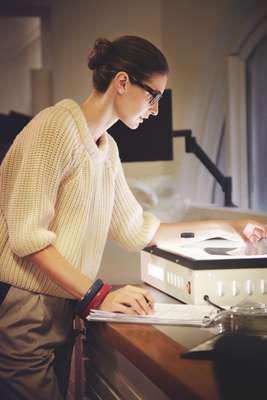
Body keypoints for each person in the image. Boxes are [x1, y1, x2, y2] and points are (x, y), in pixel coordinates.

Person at [0, 35, 266, 400]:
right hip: (28, 306)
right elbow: (28, 240)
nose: (155, 109)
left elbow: (137, 229)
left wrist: (227, 227)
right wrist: (98, 294)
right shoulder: (53, 129)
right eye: (152, 96)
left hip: (61, 303)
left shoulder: (107, 150)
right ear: (122, 82)